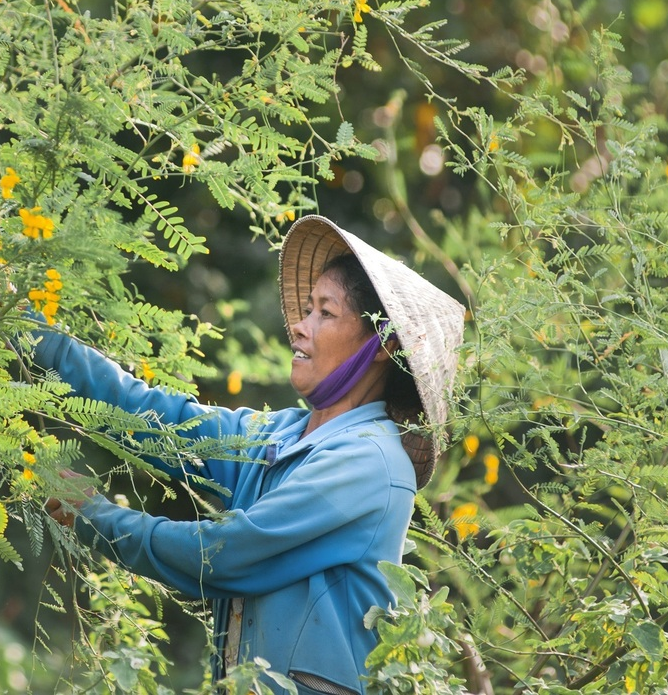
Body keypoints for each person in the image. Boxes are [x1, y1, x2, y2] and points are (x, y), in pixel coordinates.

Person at [37, 215, 466, 695]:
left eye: (325, 313)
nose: (300, 329)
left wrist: (97, 516)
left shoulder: (371, 462)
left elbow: (227, 553)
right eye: (306, 311)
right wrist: (29, 330)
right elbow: (155, 418)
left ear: (383, 343)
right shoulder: (278, 435)